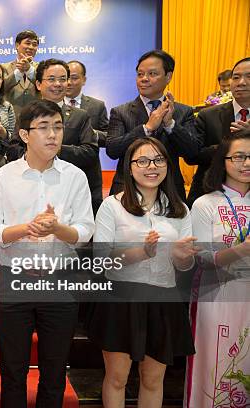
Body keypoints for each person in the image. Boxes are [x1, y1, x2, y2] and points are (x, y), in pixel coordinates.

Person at [0, 100, 95, 407]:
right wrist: (26, 229)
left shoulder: (74, 176)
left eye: (58, 127)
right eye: (43, 127)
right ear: (23, 134)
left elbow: (86, 230)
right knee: (13, 372)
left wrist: (58, 229)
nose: (53, 135)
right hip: (14, 282)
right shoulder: (4, 177)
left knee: (54, 372)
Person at [89, 137, 196, 408]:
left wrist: (183, 259)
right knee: (117, 377)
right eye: (143, 160)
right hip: (121, 300)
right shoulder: (112, 206)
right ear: (129, 166)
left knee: (152, 379)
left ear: (168, 166)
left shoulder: (180, 210)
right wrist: (141, 253)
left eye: (159, 160)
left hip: (163, 299)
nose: (152, 166)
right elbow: (101, 260)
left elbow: (184, 265)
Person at [184, 133, 250, 408]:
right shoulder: (205, 204)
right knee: (214, 365)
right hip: (216, 296)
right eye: (239, 156)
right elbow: (203, 260)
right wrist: (243, 250)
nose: (247, 163)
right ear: (223, 161)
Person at [106, 50, 197, 200]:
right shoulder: (120, 111)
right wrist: (146, 129)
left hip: (170, 191)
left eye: (152, 74)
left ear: (168, 77)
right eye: (140, 74)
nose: (144, 79)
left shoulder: (183, 111)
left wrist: (170, 124)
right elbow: (112, 149)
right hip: (128, 190)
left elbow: (192, 152)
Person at [32, 58, 102, 215]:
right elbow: (15, 149)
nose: (58, 84)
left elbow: (90, 152)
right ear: (38, 84)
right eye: (51, 79)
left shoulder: (81, 116)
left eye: (63, 79)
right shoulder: (27, 115)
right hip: (34, 189)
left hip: (70, 191)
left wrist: (54, 150)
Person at [188, 57, 250, 207]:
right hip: (210, 194)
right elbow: (192, 156)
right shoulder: (208, 115)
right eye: (236, 77)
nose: (241, 82)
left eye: (249, 76)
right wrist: (229, 147)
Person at [65, 60, 109, 147]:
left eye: (74, 78)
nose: (69, 82)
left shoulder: (97, 106)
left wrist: (90, 133)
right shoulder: (53, 104)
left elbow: (109, 137)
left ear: (84, 80)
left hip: (87, 158)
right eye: (66, 78)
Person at [1, 30, 40, 117]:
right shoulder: (4, 67)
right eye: (27, 43)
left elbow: (44, 85)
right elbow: (0, 88)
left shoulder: (41, 68)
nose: (31, 47)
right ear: (17, 45)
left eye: (34, 44)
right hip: (10, 121)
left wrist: (29, 70)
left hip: (35, 120)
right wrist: (19, 72)